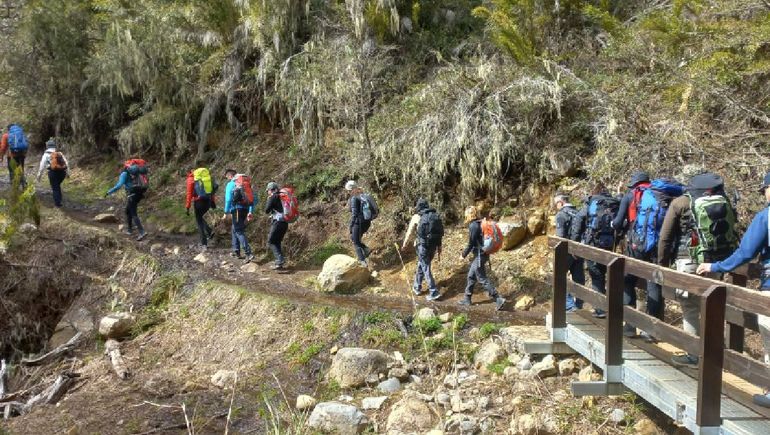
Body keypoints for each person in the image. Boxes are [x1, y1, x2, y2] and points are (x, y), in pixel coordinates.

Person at [697, 171, 770, 407]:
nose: (764, 194)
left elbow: (746, 253)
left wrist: (716, 265)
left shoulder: (766, 217)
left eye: (764, 189)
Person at [659, 171, 737, 367]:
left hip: (689, 260)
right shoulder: (723, 201)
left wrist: (662, 264)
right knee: (713, 305)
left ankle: (694, 354)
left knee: (690, 306)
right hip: (716, 260)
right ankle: (716, 351)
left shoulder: (681, 203)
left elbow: (665, 237)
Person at [570, 183, 620, 318]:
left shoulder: (592, 202)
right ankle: (610, 308)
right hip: (610, 245)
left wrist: (574, 243)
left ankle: (601, 309)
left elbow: (579, 220)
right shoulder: (614, 203)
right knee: (608, 275)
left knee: (597, 275)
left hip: (593, 244)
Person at [459, 206, 506, 310]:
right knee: (471, 275)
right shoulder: (479, 223)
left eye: (466, 214)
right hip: (482, 254)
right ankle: (467, 298)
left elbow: (471, 243)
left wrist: (463, 255)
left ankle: (498, 298)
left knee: (481, 278)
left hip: (480, 255)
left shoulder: (473, 226)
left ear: (469, 215)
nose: (465, 216)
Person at [402, 198, 443, 301]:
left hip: (422, 245)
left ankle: (433, 291)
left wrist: (405, 244)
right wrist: (439, 246)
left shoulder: (417, 216)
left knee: (425, 267)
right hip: (433, 245)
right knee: (422, 264)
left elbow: (410, 232)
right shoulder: (434, 216)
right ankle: (417, 287)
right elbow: (439, 232)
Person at [553, 193, 586, 312]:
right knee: (579, 277)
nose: (555, 206)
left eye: (555, 203)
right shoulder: (578, 212)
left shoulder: (561, 215)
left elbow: (560, 236)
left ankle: (568, 305)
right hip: (579, 250)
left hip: (567, 251)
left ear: (560, 202)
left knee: (560, 276)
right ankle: (579, 304)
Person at [106, 160, 148, 241]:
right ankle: (129, 230)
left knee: (133, 213)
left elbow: (119, 186)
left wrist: (109, 192)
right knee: (127, 211)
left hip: (132, 194)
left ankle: (142, 232)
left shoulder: (124, 174)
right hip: (139, 194)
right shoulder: (137, 173)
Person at [223, 169, 256, 262]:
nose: (227, 179)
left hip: (236, 209)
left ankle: (248, 253)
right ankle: (236, 250)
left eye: (227, 177)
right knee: (235, 228)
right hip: (245, 209)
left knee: (239, 231)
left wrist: (226, 212)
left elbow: (228, 199)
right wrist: (250, 211)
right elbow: (254, 199)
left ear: (230, 175)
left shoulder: (231, 183)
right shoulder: (246, 183)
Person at [185, 168, 216, 250]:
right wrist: (213, 201)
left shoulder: (191, 179)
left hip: (198, 202)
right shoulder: (206, 177)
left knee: (199, 221)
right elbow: (211, 190)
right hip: (208, 200)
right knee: (203, 218)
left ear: (189, 172)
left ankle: (204, 243)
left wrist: (187, 207)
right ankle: (209, 232)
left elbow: (189, 194)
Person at [345, 180, 372, 267]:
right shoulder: (362, 195)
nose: (348, 192)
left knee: (355, 242)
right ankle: (366, 249)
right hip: (367, 222)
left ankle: (362, 261)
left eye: (349, 190)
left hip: (358, 223)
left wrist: (351, 226)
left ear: (352, 189)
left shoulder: (354, 198)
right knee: (355, 238)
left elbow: (354, 214)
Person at [36, 138, 69, 207]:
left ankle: (58, 204)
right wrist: (67, 173)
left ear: (47, 146)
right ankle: (59, 200)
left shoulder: (45, 155)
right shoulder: (59, 153)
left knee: (55, 187)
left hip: (52, 173)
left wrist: (39, 176)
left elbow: (42, 166)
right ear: (54, 146)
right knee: (57, 186)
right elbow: (66, 163)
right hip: (62, 172)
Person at [264, 181, 288, 270]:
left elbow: (266, 210)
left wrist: (269, 200)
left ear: (271, 190)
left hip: (278, 222)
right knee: (276, 242)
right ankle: (279, 263)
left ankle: (280, 260)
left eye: (267, 191)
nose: (267, 193)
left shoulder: (273, 197)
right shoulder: (282, 196)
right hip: (285, 222)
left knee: (271, 241)